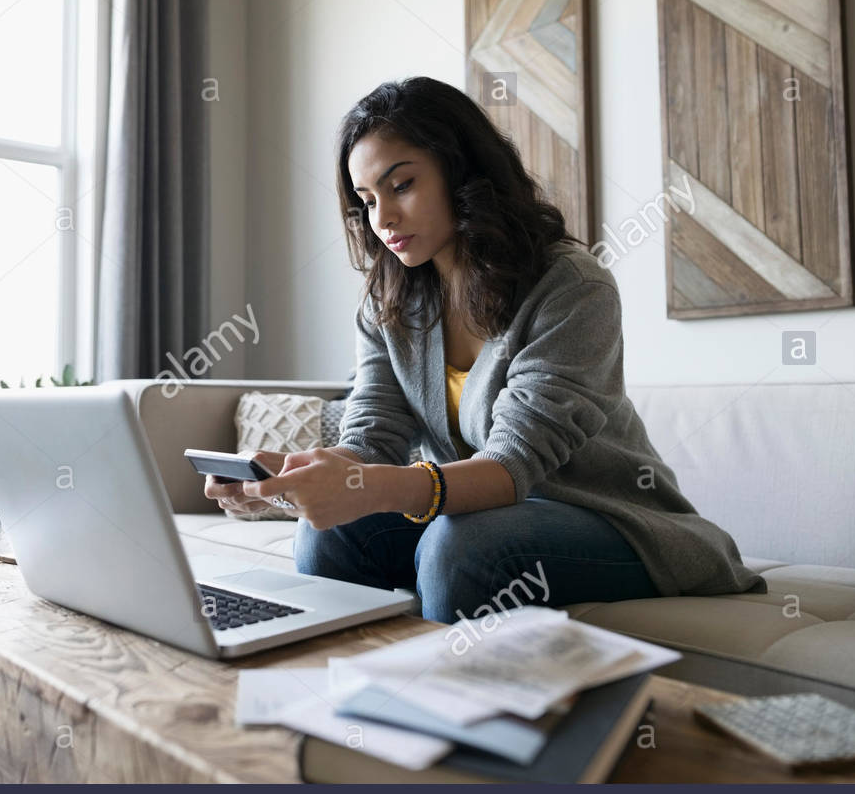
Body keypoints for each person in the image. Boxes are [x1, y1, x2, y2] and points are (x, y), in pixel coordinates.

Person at [204, 76, 765, 624]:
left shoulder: (571, 286)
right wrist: (287, 481)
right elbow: (373, 437)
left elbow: (510, 467)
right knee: (330, 534)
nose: (384, 219)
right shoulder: (387, 301)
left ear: (462, 170)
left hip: (606, 517)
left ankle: (454, 709)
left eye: (401, 186)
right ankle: (352, 700)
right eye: (367, 200)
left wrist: (366, 487)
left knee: (461, 548)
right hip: (481, 512)